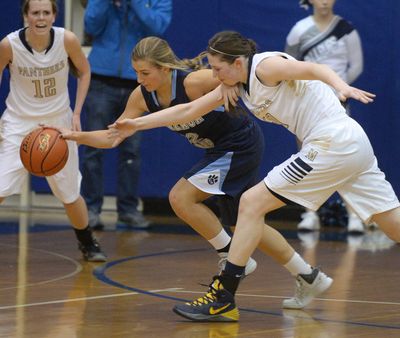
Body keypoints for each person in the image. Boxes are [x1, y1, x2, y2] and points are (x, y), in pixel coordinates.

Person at [107, 30, 400, 322]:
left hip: (331, 142)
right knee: (393, 225)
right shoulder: (237, 85)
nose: (214, 74)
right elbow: (188, 110)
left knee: (250, 203)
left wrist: (341, 86)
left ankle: (224, 296)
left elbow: (313, 67)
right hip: (350, 145)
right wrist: (136, 124)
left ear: (237, 63)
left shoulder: (264, 66)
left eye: (218, 68)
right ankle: (254, 286)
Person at [56, 37, 331, 291]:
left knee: (180, 197)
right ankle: (308, 276)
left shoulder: (193, 82)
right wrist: (75, 137)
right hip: (221, 151)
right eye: (136, 72)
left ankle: (231, 257)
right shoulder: (141, 96)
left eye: (145, 73)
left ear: (164, 68)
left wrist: (227, 83)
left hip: (239, 145)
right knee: (243, 222)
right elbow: (114, 135)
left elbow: (238, 74)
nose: (138, 79)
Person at [0, 0, 106, 262]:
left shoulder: (66, 40)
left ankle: (87, 242)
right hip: (18, 123)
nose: (41, 17)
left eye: (46, 12)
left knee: (70, 194)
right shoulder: (8, 44)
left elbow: (84, 71)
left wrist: (78, 112)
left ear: (55, 15)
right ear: (26, 15)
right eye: (35, 12)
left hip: (58, 123)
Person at [81, 0, 172, 230]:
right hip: (101, 78)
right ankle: (91, 209)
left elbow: (158, 27)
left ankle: (128, 210)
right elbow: (91, 25)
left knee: (131, 150)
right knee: (94, 148)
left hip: (138, 82)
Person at [285, 0, 365, 233]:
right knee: (306, 156)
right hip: (305, 102)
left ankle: (354, 216)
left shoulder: (346, 29)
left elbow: (356, 66)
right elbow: (289, 67)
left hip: (337, 103)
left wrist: (340, 89)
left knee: (345, 155)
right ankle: (309, 214)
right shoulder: (299, 29)